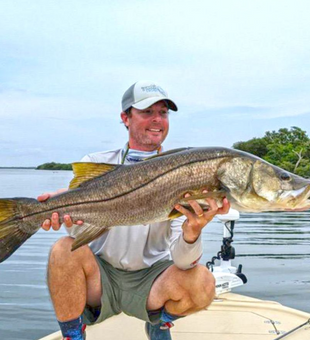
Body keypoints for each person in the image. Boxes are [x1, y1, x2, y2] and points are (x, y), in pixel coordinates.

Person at [38, 80, 230, 340]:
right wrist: (62, 211)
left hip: (151, 282)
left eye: (163, 113)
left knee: (203, 282)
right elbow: (75, 229)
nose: (157, 120)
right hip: (100, 277)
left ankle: (159, 322)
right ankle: (73, 335)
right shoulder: (96, 163)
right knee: (62, 249)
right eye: (147, 112)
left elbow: (183, 262)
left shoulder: (185, 173)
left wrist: (193, 230)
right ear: (125, 117)